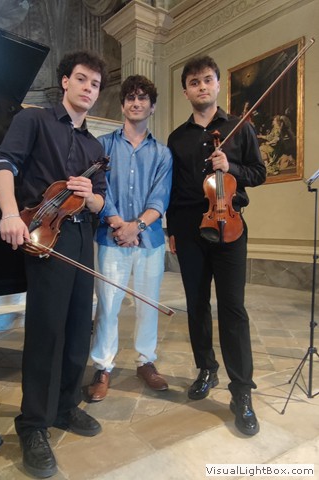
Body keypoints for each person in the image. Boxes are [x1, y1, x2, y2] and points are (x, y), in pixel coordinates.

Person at [0, 51, 108, 478]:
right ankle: (33, 424)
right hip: (46, 233)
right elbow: (3, 164)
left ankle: (65, 407)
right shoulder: (34, 120)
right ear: (65, 81)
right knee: (47, 331)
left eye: (95, 84)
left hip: (81, 236)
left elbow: (101, 202)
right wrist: (8, 213)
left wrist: (89, 195)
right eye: (82, 79)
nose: (88, 88)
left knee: (78, 327)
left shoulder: (96, 147)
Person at [166, 56, 266, 436]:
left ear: (218, 84)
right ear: (186, 91)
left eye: (207, 80)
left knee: (233, 309)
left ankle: (241, 391)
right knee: (196, 304)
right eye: (194, 82)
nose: (202, 87)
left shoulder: (240, 128)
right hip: (190, 229)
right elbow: (174, 190)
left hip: (230, 227)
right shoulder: (177, 138)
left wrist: (231, 167)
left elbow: (259, 173)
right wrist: (172, 230)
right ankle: (206, 368)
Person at [87, 75, 173, 402]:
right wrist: (118, 223)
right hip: (111, 238)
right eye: (131, 98)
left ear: (152, 106)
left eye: (142, 98)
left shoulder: (162, 153)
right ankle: (103, 367)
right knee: (108, 306)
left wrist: (135, 226)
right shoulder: (102, 145)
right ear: (123, 105)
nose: (136, 103)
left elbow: (160, 198)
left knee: (147, 305)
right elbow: (99, 188)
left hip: (149, 241)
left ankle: (145, 361)